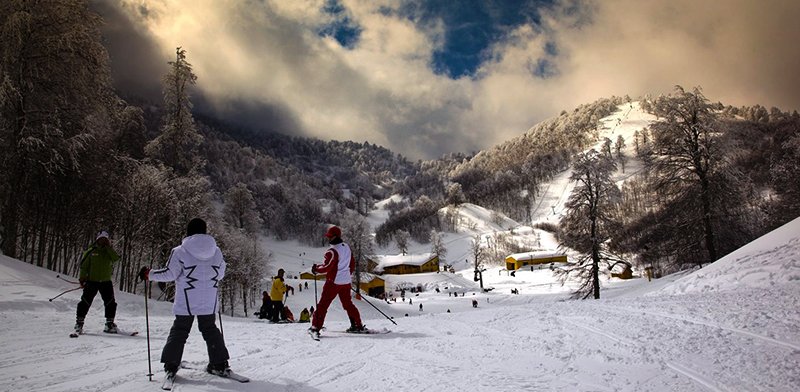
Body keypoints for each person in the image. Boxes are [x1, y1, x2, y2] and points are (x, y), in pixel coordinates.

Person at [139, 218, 234, 381]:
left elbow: (170, 273)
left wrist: (150, 274)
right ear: (205, 231)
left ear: (189, 231)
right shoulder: (216, 251)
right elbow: (220, 274)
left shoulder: (180, 251)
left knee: (180, 330)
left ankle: (171, 363)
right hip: (209, 299)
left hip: (187, 299)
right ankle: (219, 364)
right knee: (210, 329)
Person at [308, 226, 364, 337]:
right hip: (345, 282)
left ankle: (315, 327)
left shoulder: (332, 251)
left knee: (323, 305)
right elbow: (352, 264)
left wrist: (316, 269)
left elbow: (327, 267)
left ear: (335, 236)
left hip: (333, 282)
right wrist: (346, 275)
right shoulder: (346, 247)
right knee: (348, 304)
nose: (328, 238)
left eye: (330, 236)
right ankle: (357, 325)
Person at [74, 231, 121, 335]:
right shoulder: (91, 251)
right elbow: (84, 266)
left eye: (105, 239)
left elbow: (116, 258)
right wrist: (82, 279)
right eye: (101, 239)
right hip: (92, 281)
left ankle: (109, 323)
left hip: (106, 282)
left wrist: (108, 248)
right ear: (97, 240)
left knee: (110, 303)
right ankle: (79, 323)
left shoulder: (109, 252)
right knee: (85, 302)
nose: (103, 241)